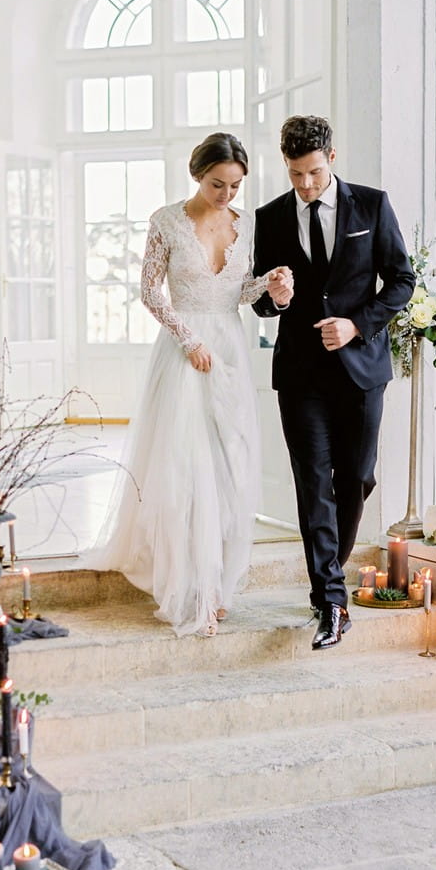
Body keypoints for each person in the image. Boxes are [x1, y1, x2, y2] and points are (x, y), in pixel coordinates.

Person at [92, 133, 293, 637]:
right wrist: (187, 338)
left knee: (230, 462)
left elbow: (236, 293)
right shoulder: (166, 221)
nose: (226, 194)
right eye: (216, 183)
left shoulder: (246, 225)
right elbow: (148, 291)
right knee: (187, 467)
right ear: (197, 174)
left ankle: (219, 583)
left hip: (229, 346)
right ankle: (192, 587)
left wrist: (268, 284)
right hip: (186, 351)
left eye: (235, 185)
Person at [253, 115, 414, 649]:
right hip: (300, 374)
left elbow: (401, 280)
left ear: (332, 158)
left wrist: (358, 323)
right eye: (296, 174)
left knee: (359, 478)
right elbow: (258, 300)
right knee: (312, 484)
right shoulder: (270, 217)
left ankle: (331, 571)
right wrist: (274, 297)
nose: (305, 185)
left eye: (315, 173)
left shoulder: (372, 204)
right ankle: (332, 598)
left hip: (362, 369)